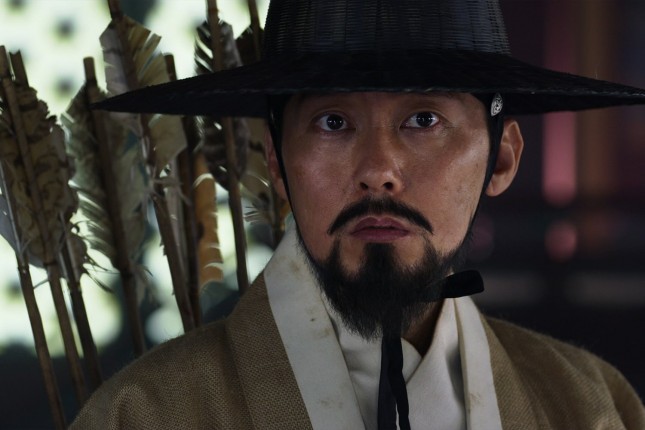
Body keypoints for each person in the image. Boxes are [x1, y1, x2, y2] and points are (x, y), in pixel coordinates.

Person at [71, 0, 645, 428]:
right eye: (333, 122)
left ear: (501, 158)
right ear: (277, 161)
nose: (378, 170)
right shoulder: (146, 413)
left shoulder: (589, 405)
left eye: (424, 120)